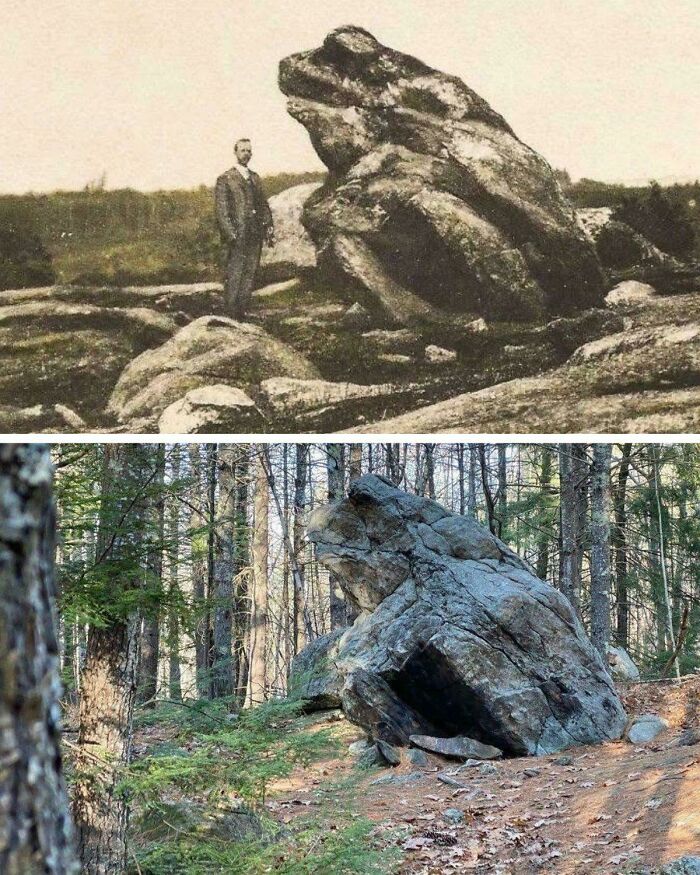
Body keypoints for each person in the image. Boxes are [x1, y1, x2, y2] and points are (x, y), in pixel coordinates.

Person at [215, 138, 274, 319]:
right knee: (235, 272)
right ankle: (230, 313)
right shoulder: (225, 179)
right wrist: (231, 234)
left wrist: (268, 225)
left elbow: (263, 205)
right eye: (243, 150)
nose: (246, 154)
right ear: (235, 153)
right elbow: (222, 211)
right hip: (237, 235)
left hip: (255, 233)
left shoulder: (255, 178)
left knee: (250, 271)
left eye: (249, 151)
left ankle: (242, 311)